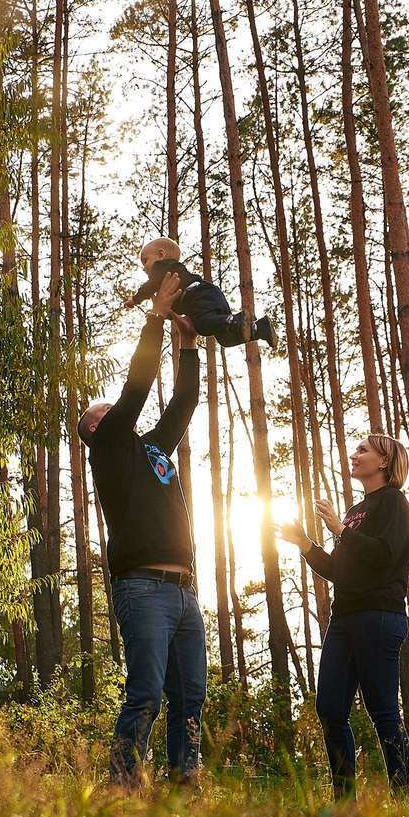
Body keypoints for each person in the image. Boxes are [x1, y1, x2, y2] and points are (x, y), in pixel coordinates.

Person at [78, 272, 209, 785]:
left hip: (184, 592)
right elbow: (137, 385)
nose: (112, 408)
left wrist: (188, 346)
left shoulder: (151, 447)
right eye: (103, 410)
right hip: (143, 588)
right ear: (94, 427)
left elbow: (183, 404)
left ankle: (184, 781)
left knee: (190, 696)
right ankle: (123, 783)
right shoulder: (108, 447)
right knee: (148, 693)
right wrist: (155, 317)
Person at [279, 435, 409, 797]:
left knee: (383, 710)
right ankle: (344, 803)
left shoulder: (395, 504)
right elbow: (338, 569)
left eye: (363, 450)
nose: (354, 455)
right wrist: (305, 543)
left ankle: (403, 796)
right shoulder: (357, 509)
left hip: (379, 616)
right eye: (355, 449)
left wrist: (340, 530)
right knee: (330, 708)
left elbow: (383, 555)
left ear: (384, 462)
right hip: (343, 620)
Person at [123, 236, 278, 350]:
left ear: (161, 254)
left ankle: (237, 320)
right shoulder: (168, 278)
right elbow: (172, 308)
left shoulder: (162, 267)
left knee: (203, 325)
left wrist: (135, 300)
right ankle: (259, 328)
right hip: (208, 295)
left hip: (199, 295)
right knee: (225, 338)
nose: (144, 267)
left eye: (145, 260)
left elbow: (149, 286)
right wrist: (166, 314)